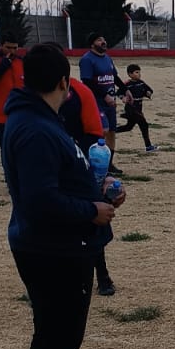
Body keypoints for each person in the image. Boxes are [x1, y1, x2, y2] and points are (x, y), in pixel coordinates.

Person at [2, 41, 126, 349]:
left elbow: (55, 181)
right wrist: (90, 211)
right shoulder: (35, 129)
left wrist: (99, 187)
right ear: (63, 82)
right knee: (60, 336)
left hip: (53, 244)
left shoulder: (37, 118)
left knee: (50, 333)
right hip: (53, 250)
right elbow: (40, 200)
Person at [60, 74, 118, 296]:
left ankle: (102, 275)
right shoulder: (30, 108)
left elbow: (96, 135)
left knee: (90, 223)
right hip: (55, 169)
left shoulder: (80, 93)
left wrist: (100, 174)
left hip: (81, 163)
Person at [77, 33, 124, 172]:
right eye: (99, 40)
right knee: (102, 130)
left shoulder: (107, 58)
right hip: (96, 102)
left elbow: (114, 77)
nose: (103, 42)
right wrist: (104, 95)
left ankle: (108, 164)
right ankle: (92, 161)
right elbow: (87, 81)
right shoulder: (87, 59)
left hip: (110, 102)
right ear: (92, 44)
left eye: (104, 39)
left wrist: (125, 90)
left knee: (112, 132)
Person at [119, 64, 158, 151]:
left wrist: (148, 93)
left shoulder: (141, 83)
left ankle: (110, 131)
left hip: (138, 108)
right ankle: (148, 146)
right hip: (131, 108)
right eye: (136, 72)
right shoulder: (127, 84)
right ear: (130, 74)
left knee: (128, 127)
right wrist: (123, 97)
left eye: (139, 72)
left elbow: (149, 90)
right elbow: (119, 92)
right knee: (144, 125)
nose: (139, 74)